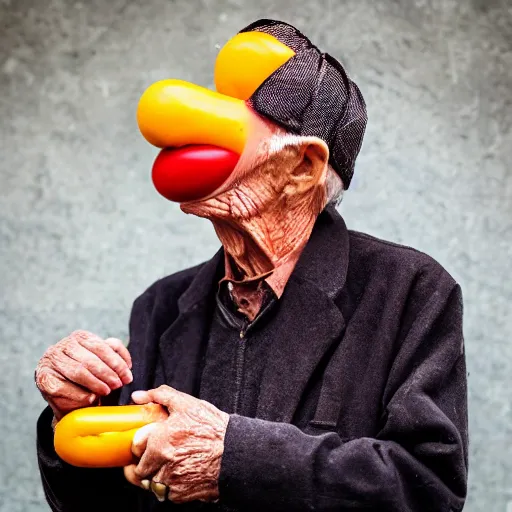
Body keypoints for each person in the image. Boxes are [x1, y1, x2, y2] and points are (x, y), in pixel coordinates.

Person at [35, 19, 468, 512]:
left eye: (241, 115)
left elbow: (427, 489)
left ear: (303, 167)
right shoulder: (160, 306)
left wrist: (235, 459)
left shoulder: (409, 290)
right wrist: (72, 414)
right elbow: (105, 506)